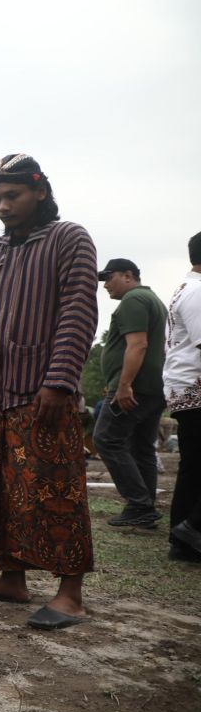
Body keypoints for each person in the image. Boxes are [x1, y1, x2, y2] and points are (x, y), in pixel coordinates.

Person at [0, 153, 98, 631]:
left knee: (59, 491)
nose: (1, 206)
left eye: (11, 195)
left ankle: (69, 594)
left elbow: (79, 312)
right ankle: (11, 580)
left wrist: (59, 381)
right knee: (2, 491)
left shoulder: (69, 238)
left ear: (40, 190)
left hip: (45, 391)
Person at [93, 258, 168, 529]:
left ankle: (138, 503)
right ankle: (144, 508)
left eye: (109, 278)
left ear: (127, 275)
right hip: (153, 387)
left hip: (136, 388)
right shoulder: (151, 299)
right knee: (141, 447)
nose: (105, 285)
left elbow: (137, 345)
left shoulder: (134, 300)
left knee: (106, 439)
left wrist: (123, 385)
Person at [164, 233, 201, 563]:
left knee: (193, 467)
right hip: (196, 387)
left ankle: (184, 538)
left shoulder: (187, 289)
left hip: (185, 385)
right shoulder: (200, 291)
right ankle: (190, 529)